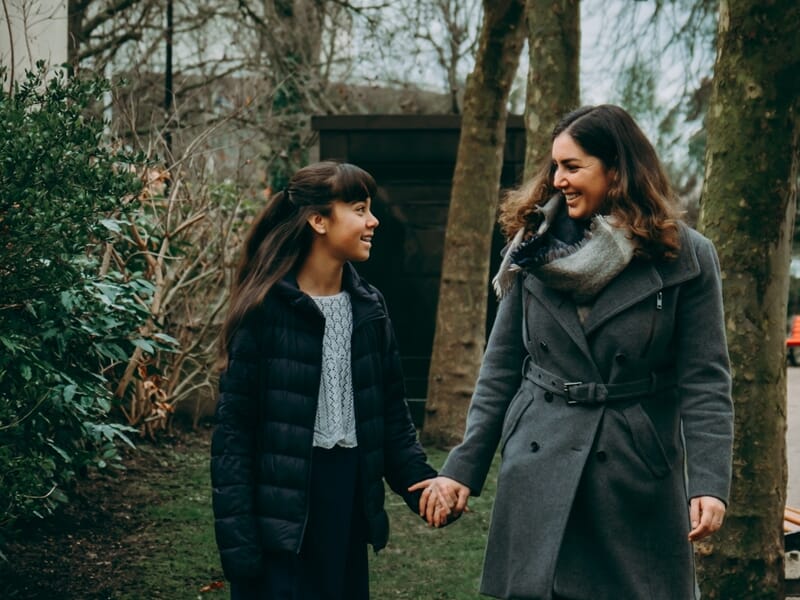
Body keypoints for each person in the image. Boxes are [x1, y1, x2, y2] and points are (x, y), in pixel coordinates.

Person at [412, 105, 734, 599]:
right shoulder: (531, 250)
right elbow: (500, 368)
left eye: (573, 166)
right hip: (539, 462)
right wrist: (462, 468)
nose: (557, 179)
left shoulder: (685, 256)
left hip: (633, 471)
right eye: (555, 166)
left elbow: (705, 380)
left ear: (617, 170)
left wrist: (709, 483)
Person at [211, 161, 439, 600]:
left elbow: (391, 420)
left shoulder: (369, 310)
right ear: (318, 220)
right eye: (359, 209)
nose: (373, 221)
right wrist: (240, 548)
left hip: (347, 507)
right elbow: (233, 439)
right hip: (282, 523)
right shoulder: (265, 312)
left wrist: (426, 490)